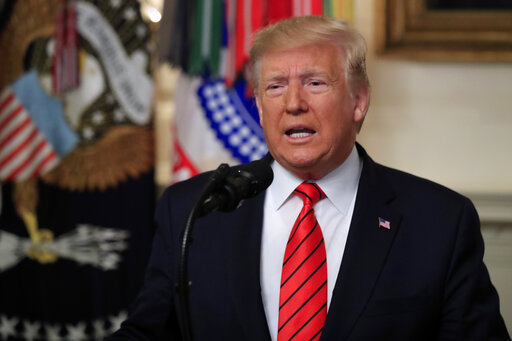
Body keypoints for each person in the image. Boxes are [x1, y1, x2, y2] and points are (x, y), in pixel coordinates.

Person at [106, 16, 510, 341]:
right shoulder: (195, 209)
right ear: (261, 108)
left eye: (315, 83)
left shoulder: (439, 221)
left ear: (359, 101)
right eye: (276, 87)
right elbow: (149, 333)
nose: (294, 104)